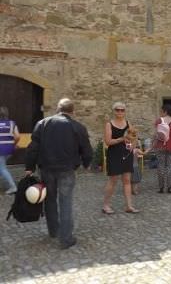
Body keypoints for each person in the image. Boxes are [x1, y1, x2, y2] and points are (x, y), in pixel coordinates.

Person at [24, 98, 93, 249]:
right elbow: (86, 149)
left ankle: (53, 231)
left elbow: (33, 147)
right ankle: (66, 238)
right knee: (65, 202)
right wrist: (87, 163)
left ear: (58, 109)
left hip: (47, 168)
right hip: (67, 169)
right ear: (72, 111)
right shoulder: (78, 126)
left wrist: (29, 166)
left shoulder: (43, 123)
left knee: (49, 200)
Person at [102, 102, 140, 214]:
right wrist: (121, 139)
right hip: (114, 153)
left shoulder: (128, 123)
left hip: (126, 153)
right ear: (114, 111)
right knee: (113, 180)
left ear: (125, 111)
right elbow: (108, 141)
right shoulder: (109, 124)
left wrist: (133, 145)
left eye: (122, 110)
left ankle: (129, 206)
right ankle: (106, 205)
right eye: (117, 110)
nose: (120, 112)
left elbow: (134, 137)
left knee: (127, 180)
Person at [153, 104, 171, 193]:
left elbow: (156, 134)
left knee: (161, 166)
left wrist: (153, 144)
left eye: (161, 111)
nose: (160, 112)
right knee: (170, 166)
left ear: (165, 111)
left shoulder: (159, 121)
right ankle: (170, 187)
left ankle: (161, 187)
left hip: (160, 146)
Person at [0, 106, 20, 195]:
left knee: (2, 168)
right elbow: (17, 136)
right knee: (1, 166)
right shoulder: (12, 123)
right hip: (9, 149)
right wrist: (14, 145)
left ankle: (13, 187)